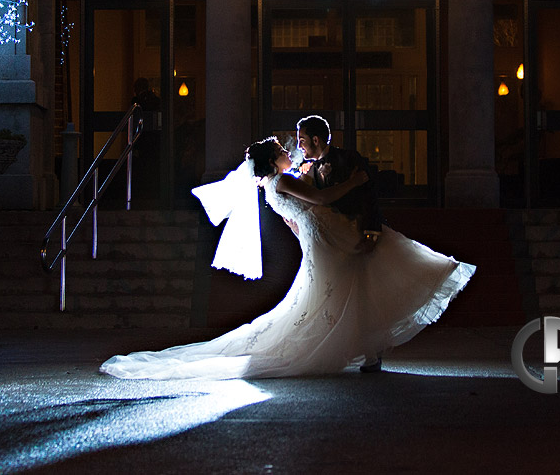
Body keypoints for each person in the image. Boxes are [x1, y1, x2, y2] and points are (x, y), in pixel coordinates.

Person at [100, 137, 475, 380]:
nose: (288, 151)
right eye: (282, 149)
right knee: (354, 279)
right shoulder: (281, 182)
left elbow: (294, 222)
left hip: (319, 240)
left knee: (348, 285)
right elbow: (324, 201)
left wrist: (314, 232)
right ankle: (369, 350)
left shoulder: (270, 185)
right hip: (326, 238)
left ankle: (369, 350)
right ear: (272, 159)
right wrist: (355, 184)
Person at [297, 115, 382, 249]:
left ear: (315, 140)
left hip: (356, 233)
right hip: (330, 240)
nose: (298, 146)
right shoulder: (308, 168)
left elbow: (369, 194)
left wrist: (370, 233)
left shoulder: (348, 158)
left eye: (302, 140)